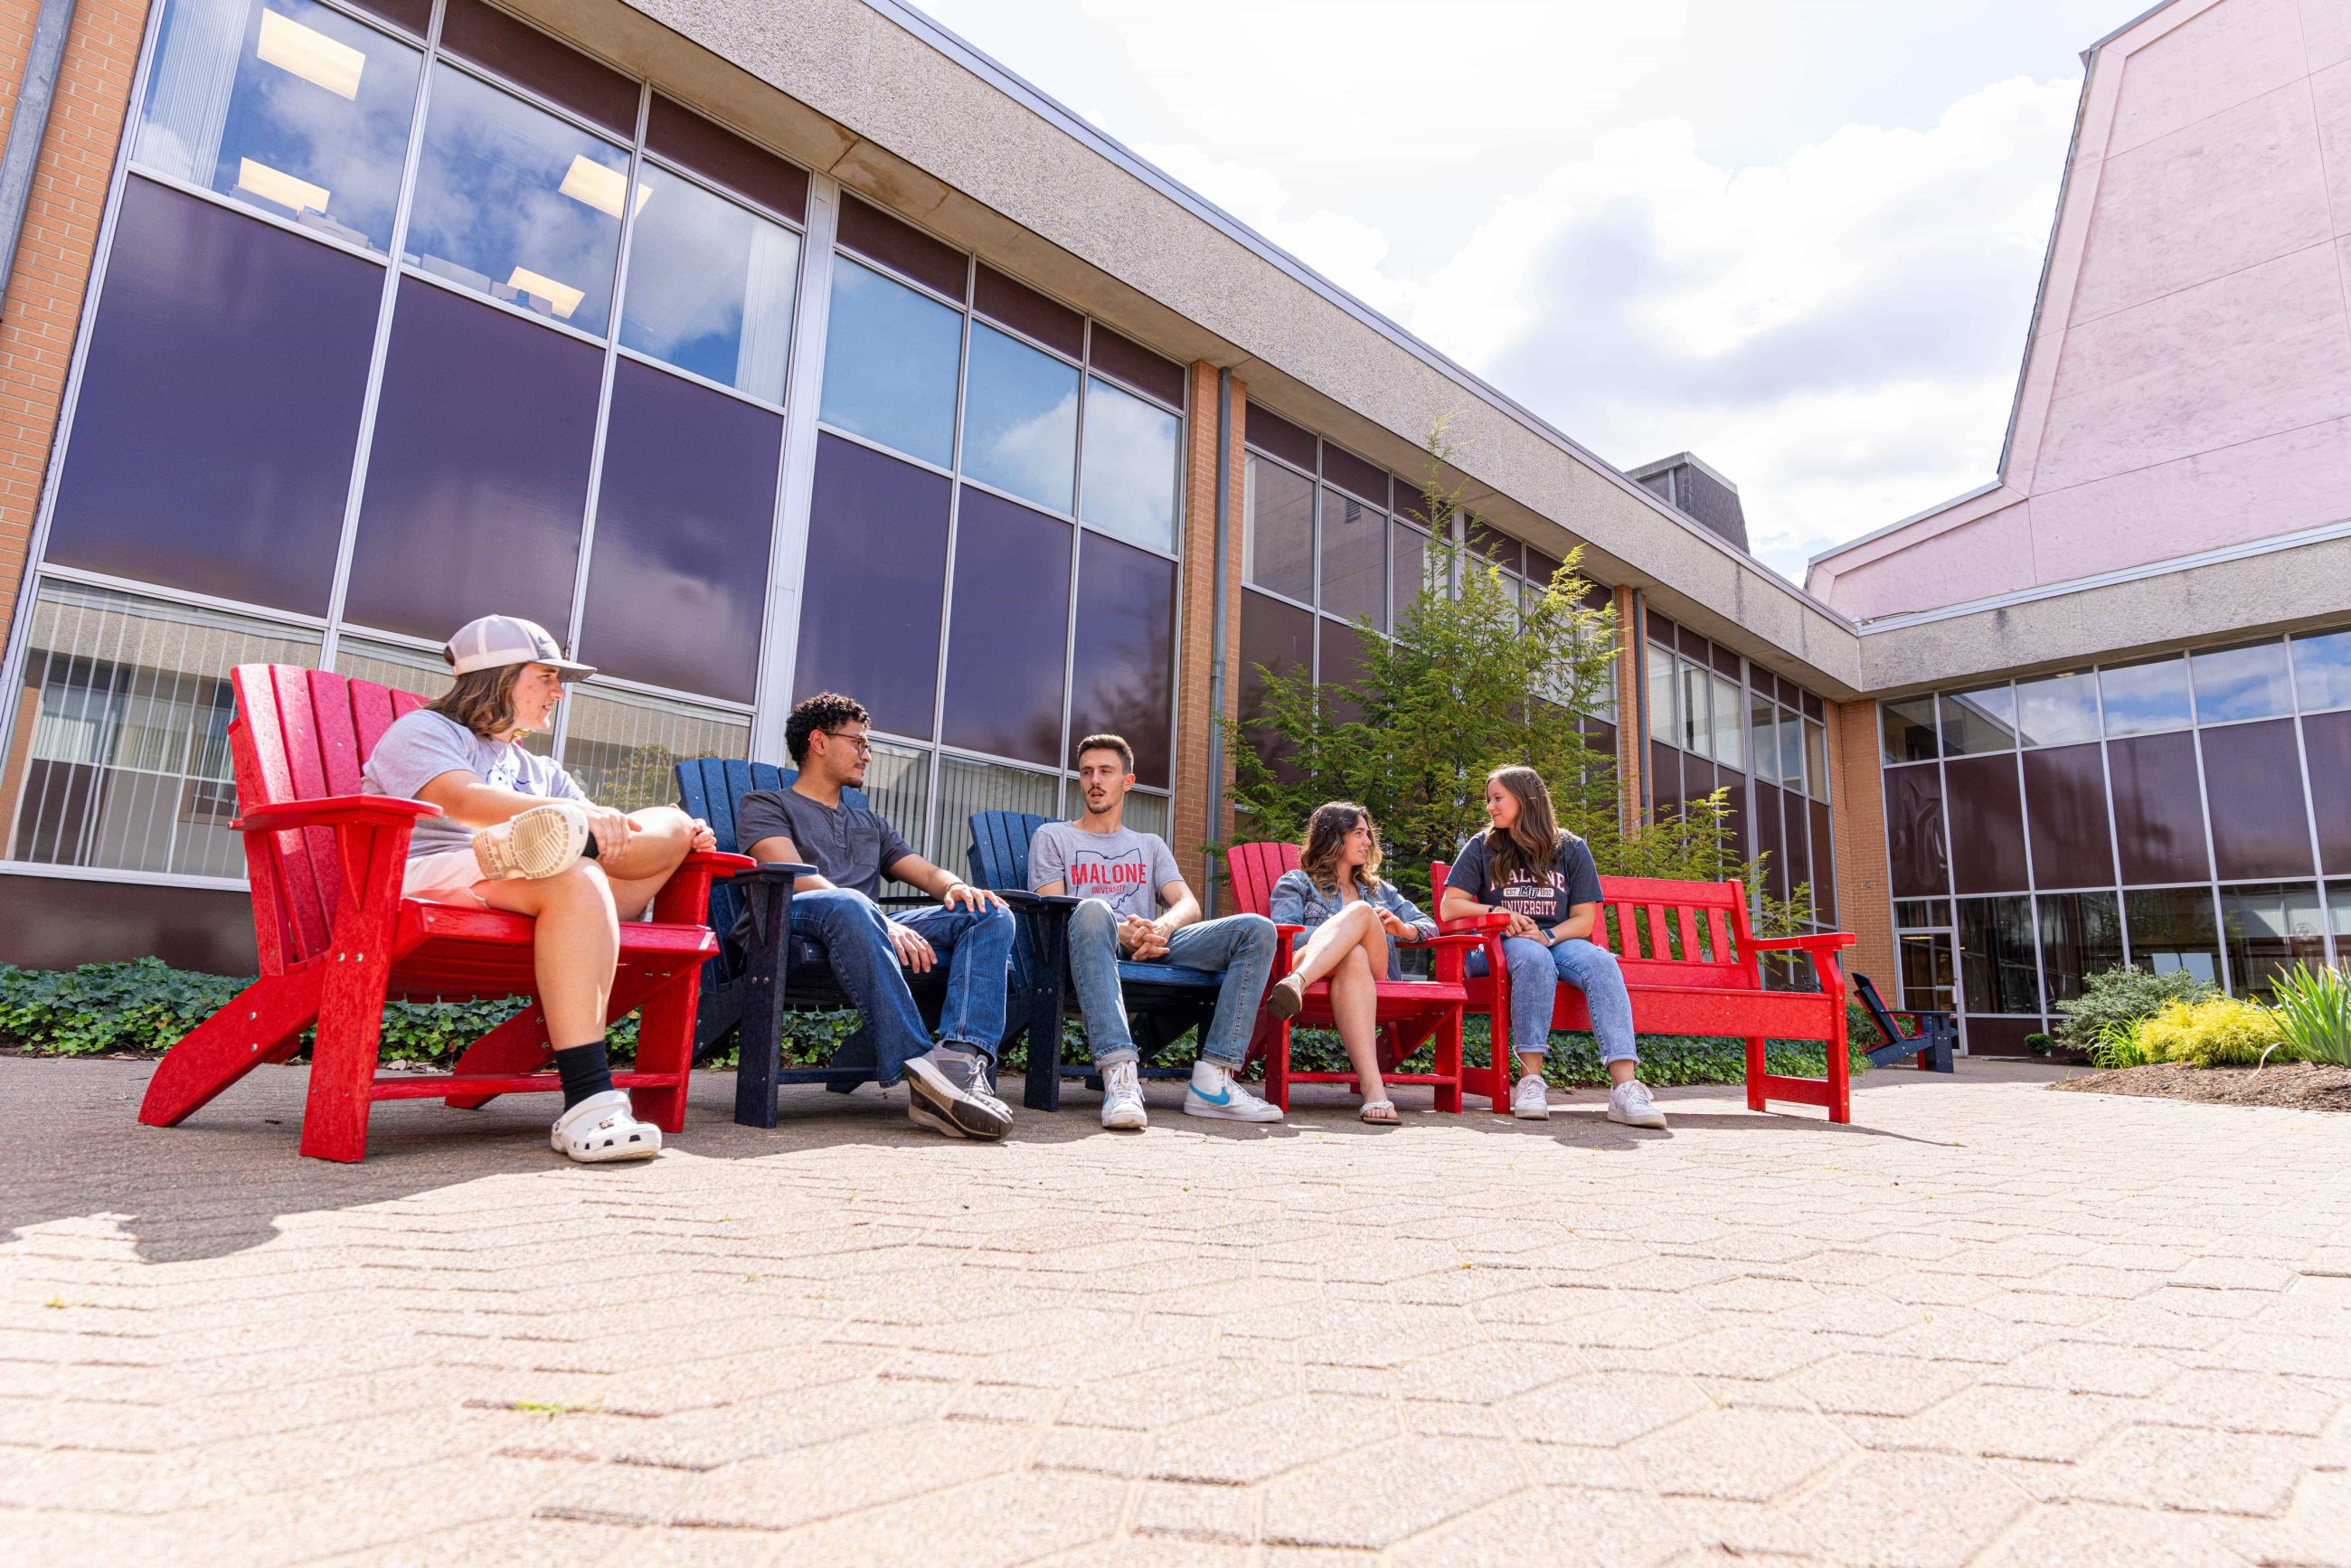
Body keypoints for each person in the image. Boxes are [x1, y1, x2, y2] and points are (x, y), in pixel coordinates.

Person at [360, 614, 715, 1164]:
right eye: (546, 676)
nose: (558, 692)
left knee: (659, 827)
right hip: (422, 879)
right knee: (574, 862)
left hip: (551, 898)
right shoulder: (424, 731)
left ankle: (562, 845)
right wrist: (576, 817)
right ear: (498, 676)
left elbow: (610, 829)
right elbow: (462, 802)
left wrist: (672, 835)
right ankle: (590, 1100)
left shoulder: (537, 769)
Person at [735, 692, 1017, 1141]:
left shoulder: (870, 823)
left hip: (863, 929)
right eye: (859, 742)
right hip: (788, 926)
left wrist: (955, 887)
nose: (867, 755)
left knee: (989, 914)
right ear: (819, 742)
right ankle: (922, 1070)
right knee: (851, 902)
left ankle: (958, 1061)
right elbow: (793, 876)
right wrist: (882, 921)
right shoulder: (766, 804)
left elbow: (924, 870)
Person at [1030, 733, 1281, 1129]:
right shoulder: (1053, 837)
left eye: (1106, 772)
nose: (1095, 781)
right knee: (1092, 909)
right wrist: (1120, 931)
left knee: (1256, 929)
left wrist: (1161, 928)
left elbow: (1188, 904)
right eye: (1086, 772)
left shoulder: (1149, 844)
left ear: (1127, 781)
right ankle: (1119, 1075)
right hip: (1087, 944)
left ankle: (1213, 1082)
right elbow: (1053, 909)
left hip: (1150, 945)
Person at [1438, 765, 1667, 1129]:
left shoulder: (1571, 848)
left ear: (1525, 800)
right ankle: (1530, 1080)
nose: (1490, 808)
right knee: (1533, 958)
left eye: (1497, 799)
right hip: (1498, 945)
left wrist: (1548, 936)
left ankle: (1626, 1088)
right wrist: (1497, 912)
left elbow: (1583, 921)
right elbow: (1450, 907)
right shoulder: (1483, 846)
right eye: (1489, 800)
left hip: (1557, 941)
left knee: (1602, 963)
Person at [1264, 802, 1437, 1125]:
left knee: (1361, 914)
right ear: (1333, 837)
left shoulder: (1379, 891)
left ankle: (1295, 984)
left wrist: (1402, 928)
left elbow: (1429, 926)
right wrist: (1346, 940)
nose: (1368, 841)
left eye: (1368, 834)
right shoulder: (1297, 882)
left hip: (1367, 972)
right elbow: (1284, 936)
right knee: (1353, 951)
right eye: (1358, 833)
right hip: (1316, 965)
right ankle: (1374, 1091)